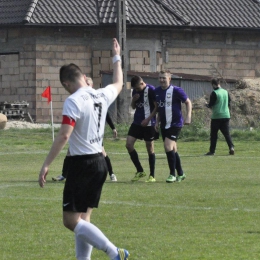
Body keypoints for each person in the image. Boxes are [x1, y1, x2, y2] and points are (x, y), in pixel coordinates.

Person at [38, 38, 129, 260]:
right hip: (99, 162)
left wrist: (46, 164)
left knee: (70, 220)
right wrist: (116, 56)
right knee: (83, 219)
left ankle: (113, 251)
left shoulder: (73, 100)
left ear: (67, 84)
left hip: (82, 164)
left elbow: (64, 135)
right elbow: (118, 83)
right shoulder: (100, 94)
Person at [52, 111, 118, 182]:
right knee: (70, 152)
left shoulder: (96, 103)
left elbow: (106, 114)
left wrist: (113, 128)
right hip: (82, 134)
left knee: (102, 153)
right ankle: (63, 175)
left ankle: (112, 174)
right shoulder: (81, 105)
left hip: (94, 134)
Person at [155, 70, 192, 183]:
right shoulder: (157, 91)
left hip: (175, 123)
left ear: (169, 79)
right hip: (164, 124)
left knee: (168, 146)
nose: (161, 80)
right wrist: (157, 121)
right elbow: (160, 109)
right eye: (160, 78)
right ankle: (181, 173)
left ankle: (172, 174)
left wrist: (188, 116)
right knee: (173, 149)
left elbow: (188, 102)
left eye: (164, 78)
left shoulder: (176, 90)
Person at [126, 75, 158, 182]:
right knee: (129, 144)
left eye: (138, 88)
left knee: (150, 148)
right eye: (135, 88)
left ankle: (152, 175)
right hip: (137, 122)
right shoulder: (135, 91)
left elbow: (156, 107)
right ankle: (140, 171)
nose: (137, 90)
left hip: (149, 123)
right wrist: (133, 100)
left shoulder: (151, 90)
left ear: (142, 83)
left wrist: (148, 119)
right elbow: (133, 107)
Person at [205, 78, 235, 155]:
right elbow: (229, 102)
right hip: (226, 115)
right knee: (226, 133)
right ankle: (231, 147)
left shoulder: (214, 93)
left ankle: (212, 151)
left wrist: (206, 105)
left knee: (214, 134)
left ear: (213, 85)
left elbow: (211, 104)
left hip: (216, 116)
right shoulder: (225, 92)